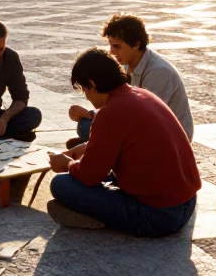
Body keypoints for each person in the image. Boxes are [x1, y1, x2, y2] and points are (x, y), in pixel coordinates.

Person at [48, 47, 200, 236]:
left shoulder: (110, 113)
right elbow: (128, 139)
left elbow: (89, 176)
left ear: (92, 85)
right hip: (186, 202)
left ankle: (95, 216)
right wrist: (85, 148)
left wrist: (67, 164)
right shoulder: (141, 94)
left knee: (62, 184)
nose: (86, 96)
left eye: (84, 90)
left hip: (158, 216)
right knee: (98, 175)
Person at [69, 14, 193, 147]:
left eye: (117, 46)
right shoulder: (127, 64)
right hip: (143, 126)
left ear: (136, 44)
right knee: (87, 126)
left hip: (170, 138)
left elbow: (142, 118)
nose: (111, 52)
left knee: (91, 126)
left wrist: (92, 114)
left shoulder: (158, 72)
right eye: (110, 45)